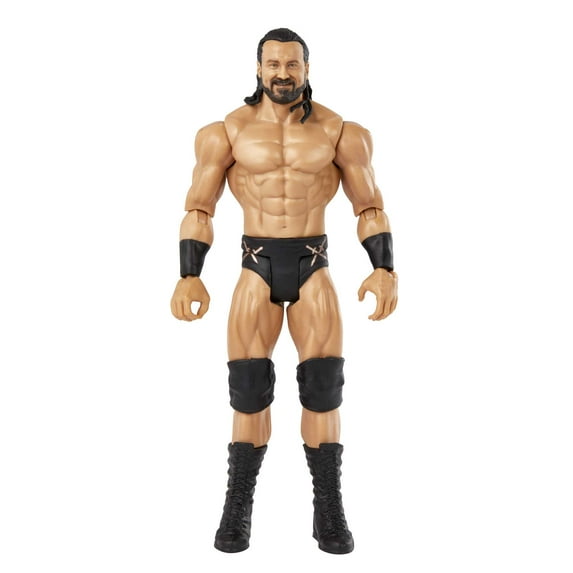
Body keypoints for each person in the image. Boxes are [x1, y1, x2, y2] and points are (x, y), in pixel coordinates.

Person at [170, 28, 398, 554]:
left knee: (323, 390)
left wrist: (384, 267)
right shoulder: (226, 132)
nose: (282, 73)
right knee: (248, 392)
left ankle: (328, 509)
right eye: (273, 64)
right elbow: (199, 207)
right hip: (256, 267)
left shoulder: (340, 132)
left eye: (292, 64)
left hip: (314, 266)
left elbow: (369, 205)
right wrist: (189, 274)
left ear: (307, 69)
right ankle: (237, 508)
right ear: (258, 68)